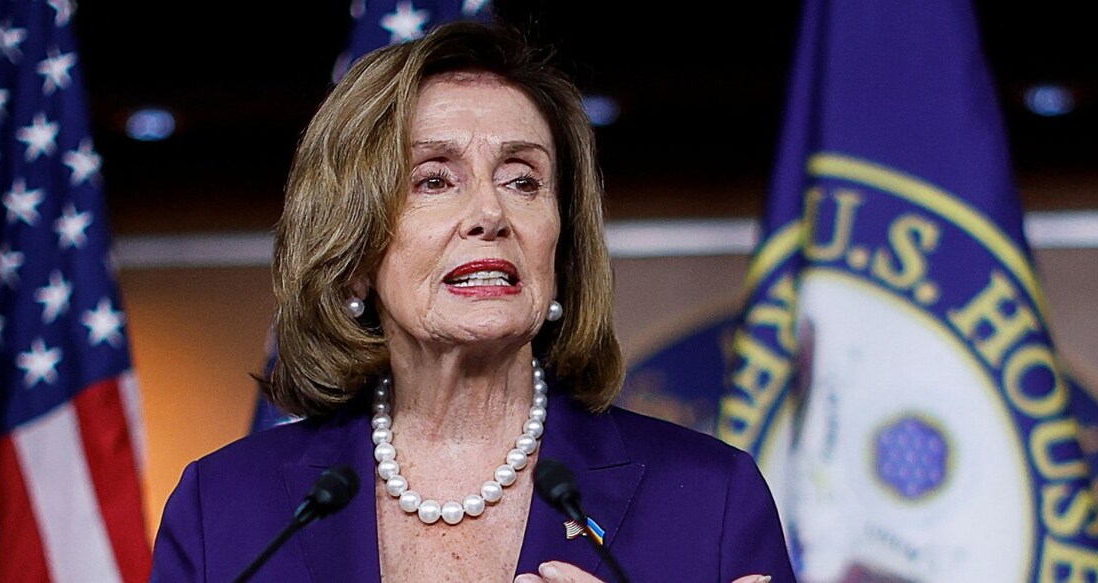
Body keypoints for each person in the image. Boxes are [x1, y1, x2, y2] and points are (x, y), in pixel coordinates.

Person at [149, 21, 797, 583]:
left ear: (560, 245)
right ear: (351, 254)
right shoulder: (228, 510)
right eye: (434, 178)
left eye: (523, 180)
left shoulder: (708, 500)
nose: (490, 212)